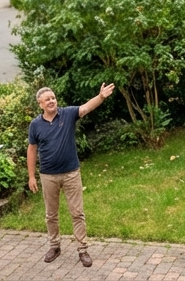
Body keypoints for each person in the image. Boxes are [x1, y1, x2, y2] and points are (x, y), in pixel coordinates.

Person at [26, 83, 115, 268]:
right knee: (51, 215)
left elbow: (86, 108)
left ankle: (83, 249)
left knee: (77, 213)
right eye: (47, 99)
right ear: (40, 104)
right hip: (48, 176)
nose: (52, 101)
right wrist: (31, 176)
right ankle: (54, 246)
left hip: (71, 173)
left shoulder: (67, 114)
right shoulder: (35, 125)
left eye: (53, 98)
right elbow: (32, 149)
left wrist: (101, 97)